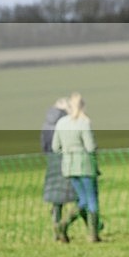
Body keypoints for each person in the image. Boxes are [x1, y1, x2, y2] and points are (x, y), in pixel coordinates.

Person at [52, 92, 101, 243]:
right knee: (90, 200)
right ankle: (92, 234)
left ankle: (62, 225)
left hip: (69, 166)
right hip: (85, 164)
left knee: (82, 199)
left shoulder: (61, 123)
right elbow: (90, 146)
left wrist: (68, 153)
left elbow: (55, 147)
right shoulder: (84, 122)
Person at [41, 97, 80, 241]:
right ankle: (92, 227)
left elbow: (44, 146)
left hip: (52, 161)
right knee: (79, 195)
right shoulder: (66, 122)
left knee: (56, 198)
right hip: (68, 160)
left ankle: (56, 228)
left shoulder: (46, 124)